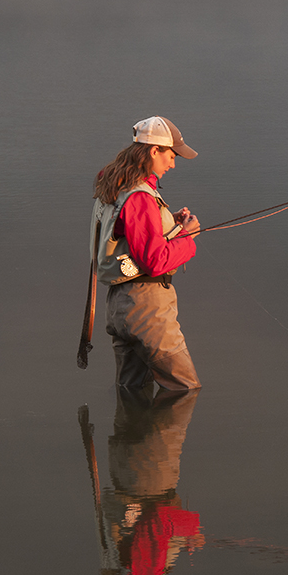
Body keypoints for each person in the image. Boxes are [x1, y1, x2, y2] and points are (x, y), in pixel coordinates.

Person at [91, 116, 203, 390]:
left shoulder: (114, 183)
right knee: (185, 390)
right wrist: (188, 237)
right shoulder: (140, 195)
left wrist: (169, 221)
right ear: (154, 150)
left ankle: (129, 433)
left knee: (132, 392)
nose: (173, 164)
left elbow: (127, 231)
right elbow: (154, 261)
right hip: (146, 310)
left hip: (119, 308)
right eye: (171, 155)